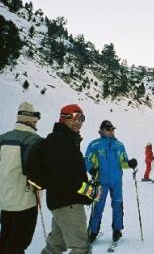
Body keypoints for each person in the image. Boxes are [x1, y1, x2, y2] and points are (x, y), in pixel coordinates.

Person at [41, 104, 93, 254]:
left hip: (61, 202)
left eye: (82, 118)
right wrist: (89, 190)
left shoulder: (67, 140)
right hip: (68, 203)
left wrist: (88, 188)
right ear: (64, 118)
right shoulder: (59, 141)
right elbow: (66, 176)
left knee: (55, 246)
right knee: (81, 247)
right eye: (75, 117)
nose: (79, 122)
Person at [85, 120, 137, 243]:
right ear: (102, 130)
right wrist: (91, 169)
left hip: (116, 181)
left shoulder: (119, 145)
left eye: (112, 129)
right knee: (98, 206)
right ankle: (93, 231)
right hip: (101, 181)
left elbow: (123, 162)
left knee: (118, 205)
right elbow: (87, 159)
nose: (111, 131)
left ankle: (117, 230)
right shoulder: (95, 145)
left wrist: (130, 163)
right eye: (108, 129)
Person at [0, 102, 42, 254]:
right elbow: (38, 175)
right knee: (20, 243)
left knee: (5, 239)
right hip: (25, 203)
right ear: (32, 120)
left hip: (4, 201)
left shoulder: (2, 139)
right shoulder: (35, 141)